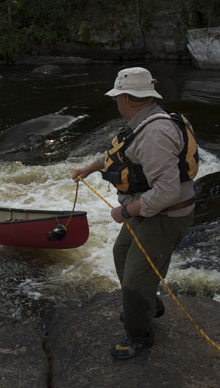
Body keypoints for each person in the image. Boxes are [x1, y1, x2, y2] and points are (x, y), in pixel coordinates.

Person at [72, 67, 198, 359]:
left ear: (127, 98)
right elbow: (119, 154)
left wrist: (126, 210)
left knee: (133, 282)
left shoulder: (156, 133)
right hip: (148, 211)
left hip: (165, 217)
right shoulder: (142, 121)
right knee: (120, 254)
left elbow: (168, 192)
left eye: (117, 96)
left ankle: (139, 335)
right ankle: (147, 306)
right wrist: (89, 169)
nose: (116, 101)